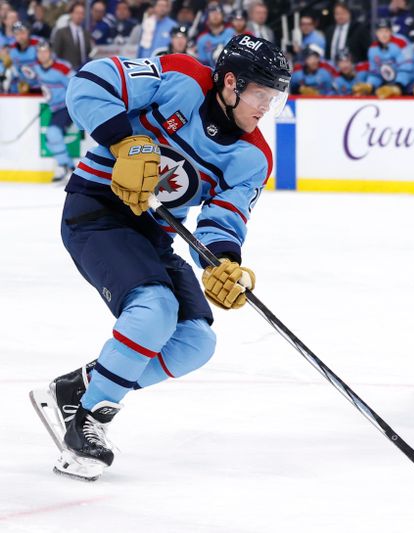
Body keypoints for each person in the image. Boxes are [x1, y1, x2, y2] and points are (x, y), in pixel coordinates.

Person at [29, 34, 291, 481]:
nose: (266, 107)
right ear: (231, 82)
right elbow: (90, 82)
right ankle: (87, 421)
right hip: (96, 210)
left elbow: (223, 220)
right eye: (260, 94)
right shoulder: (180, 78)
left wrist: (222, 261)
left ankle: (79, 388)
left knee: (195, 343)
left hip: (151, 232)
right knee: (155, 308)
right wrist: (124, 142)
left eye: (274, 98)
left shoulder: (253, 156)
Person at [31, 41, 75, 181]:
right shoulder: (37, 68)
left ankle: (64, 166)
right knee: (50, 139)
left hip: (66, 107)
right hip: (54, 108)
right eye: (39, 52)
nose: (42, 55)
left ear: (51, 52)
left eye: (45, 51)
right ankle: (69, 167)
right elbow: (33, 81)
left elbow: (76, 84)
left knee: (53, 133)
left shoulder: (62, 67)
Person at [365, 18, 414, 97]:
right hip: (393, 85)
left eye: (386, 31)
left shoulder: (401, 42)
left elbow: (407, 70)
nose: (383, 35)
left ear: (391, 32)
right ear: (376, 33)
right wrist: (370, 85)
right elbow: (375, 74)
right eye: (380, 31)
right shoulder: (373, 50)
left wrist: (397, 87)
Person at [51, 2, 92, 68]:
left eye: (82, 13)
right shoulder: (61, 32)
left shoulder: (86, 33)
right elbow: (56, 54)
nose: (80, 16)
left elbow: (88, 52)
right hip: (67, 71)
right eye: (77, 13)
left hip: (83, 70)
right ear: (71, 14)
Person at [7, 22, 42, 94]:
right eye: (17, 34)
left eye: (23, 32)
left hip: (42, 88)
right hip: (23, 89)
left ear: (28, 32)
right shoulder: (11, 49)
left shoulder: (38, 43)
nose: (20, 36)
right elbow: (14, 72)